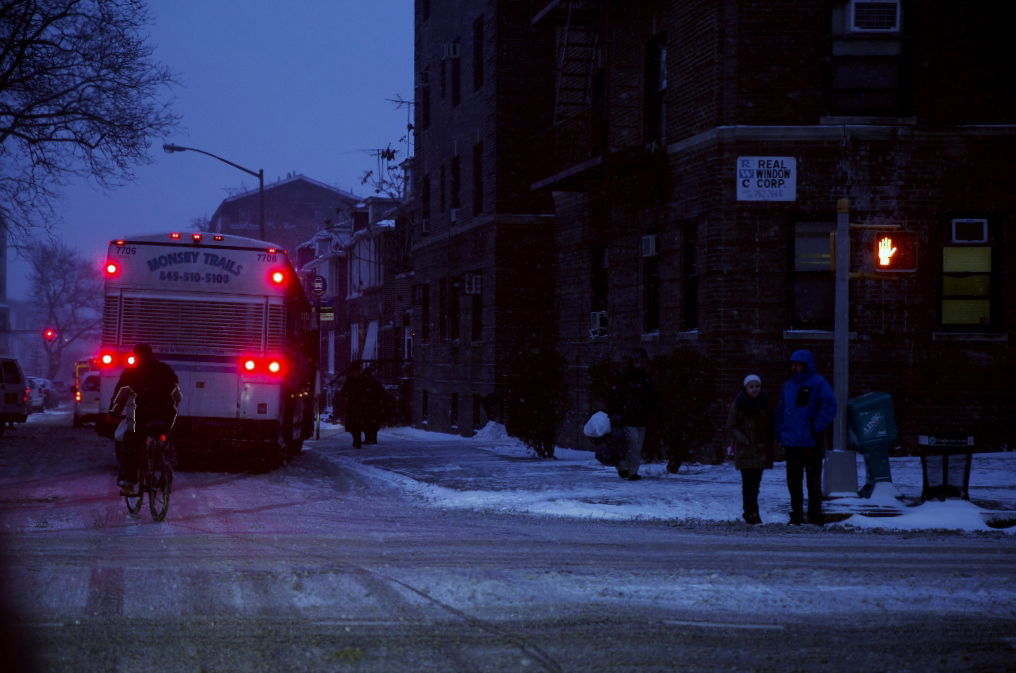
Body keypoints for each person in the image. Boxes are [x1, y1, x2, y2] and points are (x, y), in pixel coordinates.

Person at [109, 344, 181, 493]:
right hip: (164, 415)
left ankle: (128, 481)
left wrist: (113, 413)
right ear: (151, 354)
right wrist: (170, 411)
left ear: (135, 356)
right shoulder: (165, 370)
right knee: (165, 434)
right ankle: (168, 459)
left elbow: (121, 396)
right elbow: (177, 395)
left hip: (142, 415)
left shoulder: (131, 372)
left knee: (131, 442)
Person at [775, 349, 836, 525]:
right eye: (793, 365)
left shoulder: (817, 383)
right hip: (794, 440)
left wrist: (816, 426)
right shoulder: (790, 385)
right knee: (795, 481)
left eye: (798, 365)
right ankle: (798, 513)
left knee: (812, 480)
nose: (795, 368)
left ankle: (813, 514)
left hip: (810, 440)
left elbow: (829, 406)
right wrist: (780, 431)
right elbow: (781, 410)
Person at [725, 374, 773, 524]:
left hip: (760, 449)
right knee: (748, 483)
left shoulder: (764, 403)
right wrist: (743, 439)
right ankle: (750, 512)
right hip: (746, 450)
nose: (754, 389)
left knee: (755, 483)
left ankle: (752, 511)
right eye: (751, 387)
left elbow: (770, 424)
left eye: (757, 386)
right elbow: (731, 425)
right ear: (746, 388)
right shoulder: (739, 404)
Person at [607, 348, 658, 481]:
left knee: (635, 446)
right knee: (633, 445)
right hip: (628, 418)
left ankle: (628, 469)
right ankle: (629, 470)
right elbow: (618, 397)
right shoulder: (628, 378)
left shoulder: (644, 379)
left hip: (638, 417)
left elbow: (651, 398)